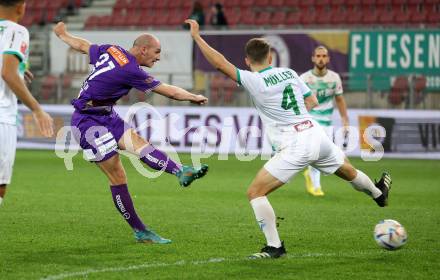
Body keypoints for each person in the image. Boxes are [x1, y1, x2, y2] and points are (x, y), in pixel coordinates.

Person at [185, 19, 392, 259]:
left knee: (255, 192)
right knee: (346, 169)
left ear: (247, 61)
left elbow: (221, 64)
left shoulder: (253, 80)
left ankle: (275, 247)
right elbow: (312, 102)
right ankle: (378, 193)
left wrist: (198, 38)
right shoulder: (289, 73)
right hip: (315, 132)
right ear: (271, 58)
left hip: (295, 143)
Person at [53, 22, 209, 244]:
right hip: (88, 122)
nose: (158, 58)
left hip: (107, 115)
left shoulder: (112, 49)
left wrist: (63, 34)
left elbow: (83, 46)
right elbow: (169, 91)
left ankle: (181, 172)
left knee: (140, 143)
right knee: (118, 175)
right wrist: (193, 97)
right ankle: (140, 231)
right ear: (143, 49)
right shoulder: (131, 70)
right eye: (157, 53)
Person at [0, 0, 54, 207]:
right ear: (21, 7)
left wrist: (19, 69)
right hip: (2, 116)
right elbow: (7, 73)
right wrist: (37, 109)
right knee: (0, 185)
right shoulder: (17, 31)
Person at [300, 45, 349, 197]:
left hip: (327, 122)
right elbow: (299, 100)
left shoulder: (334, 78)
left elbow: (340, 100)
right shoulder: (304, 79)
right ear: (313, 58)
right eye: (318, 56)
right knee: (315, 151)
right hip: (310, 120)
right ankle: (316, 186)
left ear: (328, 58)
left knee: (324, 155)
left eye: (323, 56)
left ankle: (310, 175)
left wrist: (345, 120)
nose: (321, 58)